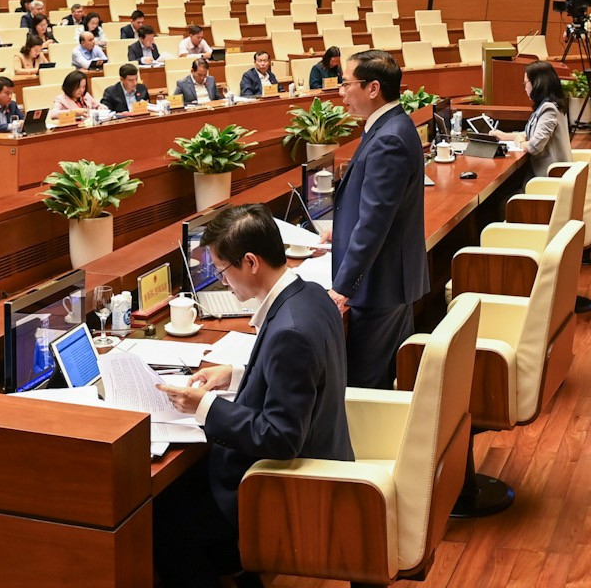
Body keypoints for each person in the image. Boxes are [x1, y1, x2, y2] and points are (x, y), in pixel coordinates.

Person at [156, 204, 352, 588]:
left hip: (286, 488)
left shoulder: (289, 331)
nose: (223, 282)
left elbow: (280, 436)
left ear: (250, 262)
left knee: (164, 523)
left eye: (222, 271)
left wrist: (203, 406)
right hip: (319, 455)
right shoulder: (311, 295)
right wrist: (234, 373)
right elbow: (300, 376)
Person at [328, 49, 427, 388]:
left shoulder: (388, 139)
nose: (341, 92)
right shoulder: (391, 125)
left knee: (365, 385)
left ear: (373, 88)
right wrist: (340, 232)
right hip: (390, 280)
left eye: (346, 84)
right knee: (384, 378)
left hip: (379, 286)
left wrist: (341, 288)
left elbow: (374, 223)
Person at [506, 59, 572, 179]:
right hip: (546, 174)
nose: (525, 88)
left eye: (525, 83)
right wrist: (502, 136)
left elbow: (534, 147)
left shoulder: (549, 109)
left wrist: (520, 142)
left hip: (549, 177)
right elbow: (531, 133)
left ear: (537, 83)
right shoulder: (549, 105)